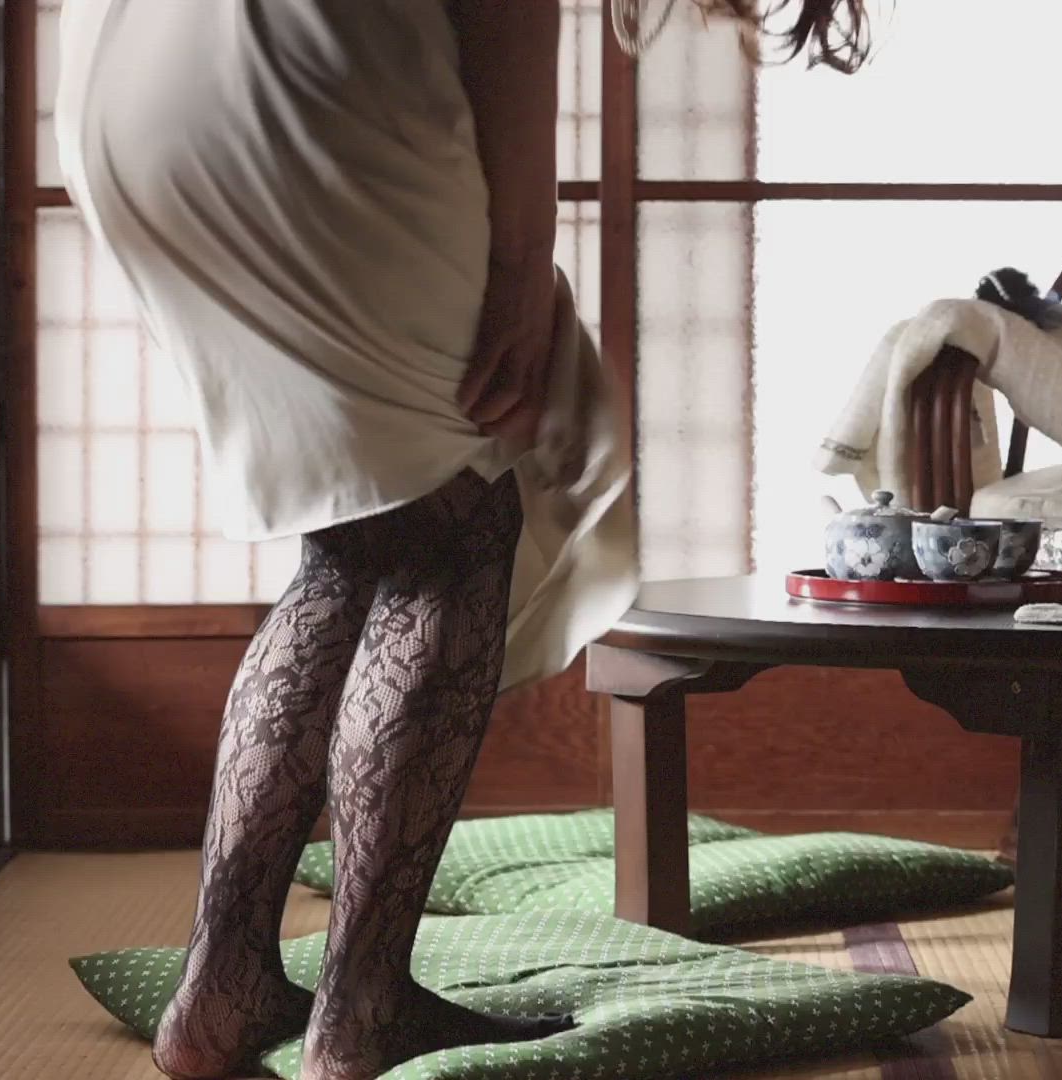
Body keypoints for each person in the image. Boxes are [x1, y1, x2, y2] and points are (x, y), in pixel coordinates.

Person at [54, 2, 875, 1077]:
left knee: (357, 541)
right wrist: (522, 265)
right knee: (456, 530)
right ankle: (363, 1005)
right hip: (306, 84)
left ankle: (223, 984)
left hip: (129, 94)